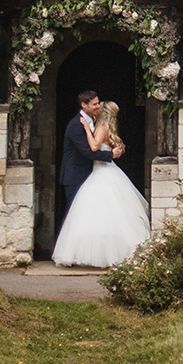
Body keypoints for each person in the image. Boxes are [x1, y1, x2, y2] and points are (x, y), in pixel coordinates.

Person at [52, 99, 152, 267]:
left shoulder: (101, 128)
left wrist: (86, 128)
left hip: (101, 172)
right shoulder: (108, 129)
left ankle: (105, 254)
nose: (96, 108)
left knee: (98, 213)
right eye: (95, 105)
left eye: (99, 106)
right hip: (105, 170)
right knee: (110, 212)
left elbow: (93, 147)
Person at [58, 89, 116, 212]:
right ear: (84, 105)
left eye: (98, 103)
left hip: (89, 174)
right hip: (75, 175)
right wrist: (111, 154)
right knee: (75, 213)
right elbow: (88, 151)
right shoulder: (76, 125)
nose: (98, 107)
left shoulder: (93, 122)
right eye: (94, 104)